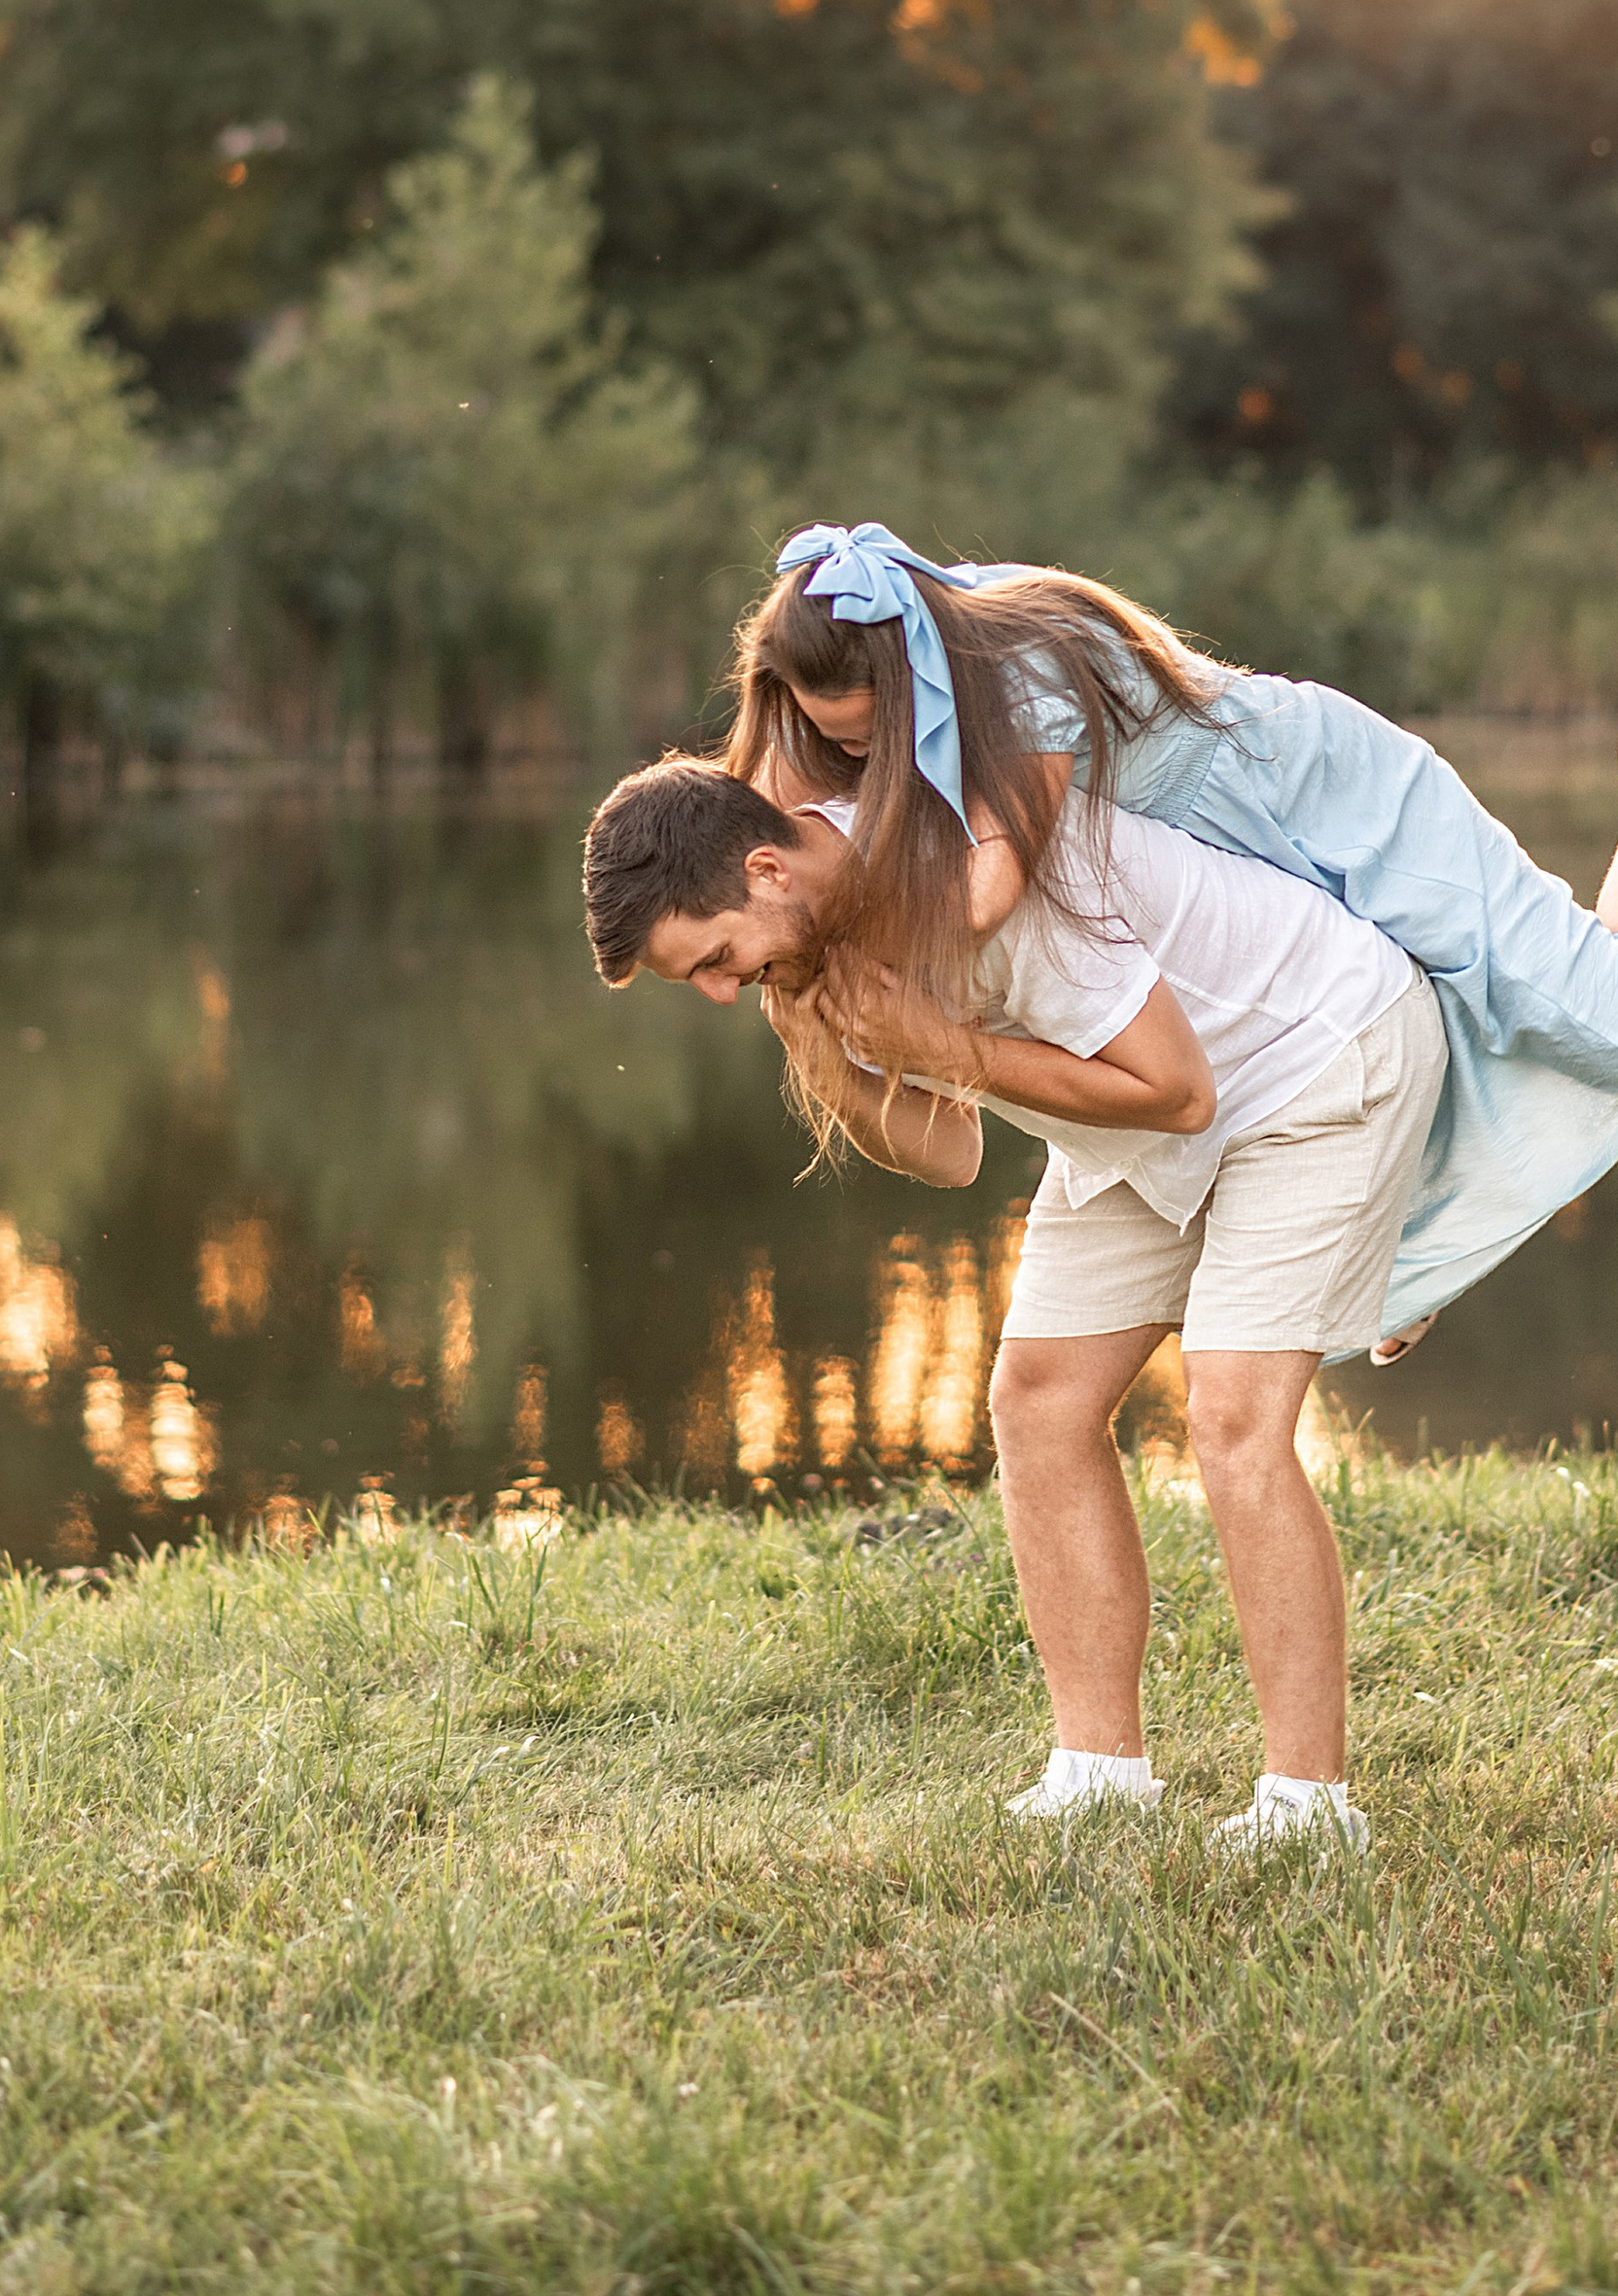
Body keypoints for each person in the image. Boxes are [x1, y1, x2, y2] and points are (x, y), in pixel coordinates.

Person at [580, 751, 1447, 1851]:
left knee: (1232, 1416)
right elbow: (948, 1149)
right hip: (1135, 1114)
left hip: (1312, 1059)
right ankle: (1098, 1771)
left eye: (712, 959)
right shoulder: (808, 949)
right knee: (1036, 1399)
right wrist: (832, 1057)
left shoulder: (967, 874)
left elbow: (1178, 1090)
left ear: (765, 870)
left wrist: (946, 1047)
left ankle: (1307, 1807)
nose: (718, 989)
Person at [724, 524, 1618, 1360]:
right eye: (841, 741)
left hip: (1324, 799)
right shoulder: (829, 713)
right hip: (1239, 886)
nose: (868, 759)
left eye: (878, 730)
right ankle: (1405, 1254)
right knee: (1376, 1052)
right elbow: (753, 858)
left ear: (917, 660)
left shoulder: (1016, 660)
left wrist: (870, 960)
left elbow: (982, 893)